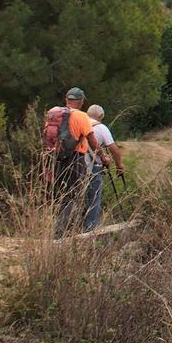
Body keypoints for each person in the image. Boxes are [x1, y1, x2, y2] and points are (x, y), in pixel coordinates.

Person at [44, 87, 99, 236]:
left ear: (66, 100)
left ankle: (63, 227)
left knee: (62, 193)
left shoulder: (54, 114)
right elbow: (92, 141)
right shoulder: (81, 116)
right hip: (75, 159)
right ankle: (61, 230)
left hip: (57, 158)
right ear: (81, 101)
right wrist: (103, 157)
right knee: (74, 193)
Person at [84, 104, 124, 231]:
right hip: (93, 166)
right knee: (94, 197)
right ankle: (90, 228)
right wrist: (119, 165)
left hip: (74, 165)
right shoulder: (101, 127)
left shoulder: (79, 123)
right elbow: (113, 149)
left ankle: (68, 227)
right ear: (101, 116)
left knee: (74, 197)